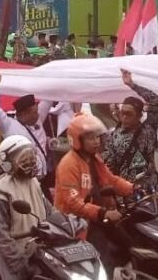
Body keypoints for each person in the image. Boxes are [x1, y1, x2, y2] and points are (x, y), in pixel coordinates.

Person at [54, 113, 133, 273]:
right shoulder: (68, 165)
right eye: (91, 138)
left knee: (127, 242)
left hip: (97, 217)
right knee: (102, 257)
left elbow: (111, 179)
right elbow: (73, 203)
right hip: (77, 224)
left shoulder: (94, 159)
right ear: (77, 140)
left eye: (97, 137)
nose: (97, 141)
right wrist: (103, 212)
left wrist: (133, 189)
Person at [0, 135, 52, 280]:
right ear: (8, 164)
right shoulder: (1, 193)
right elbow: (0, 236)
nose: (30, 163)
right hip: (14, 255)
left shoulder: (34, 182)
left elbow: (49, 211)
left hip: (38, 249)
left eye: (32, 158)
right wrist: (17, 263)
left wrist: (70, 222)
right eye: (24, 160)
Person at [0, 73, 53, 182]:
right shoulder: (9, 126)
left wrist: (51, 77)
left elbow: (49, 97)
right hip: (24, 180)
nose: (38, 114)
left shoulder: (38, 118)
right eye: (34, 112)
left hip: (44, 178)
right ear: (23, 114)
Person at [103, 70, 158, 188]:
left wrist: (132, 85)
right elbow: (109, 163)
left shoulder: (148, 130)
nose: (124, 118)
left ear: (139, 116)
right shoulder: (115, 134)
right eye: (122, 113)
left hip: (146, 188)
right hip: (123, 188)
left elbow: (154, 99)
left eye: (129, 114)